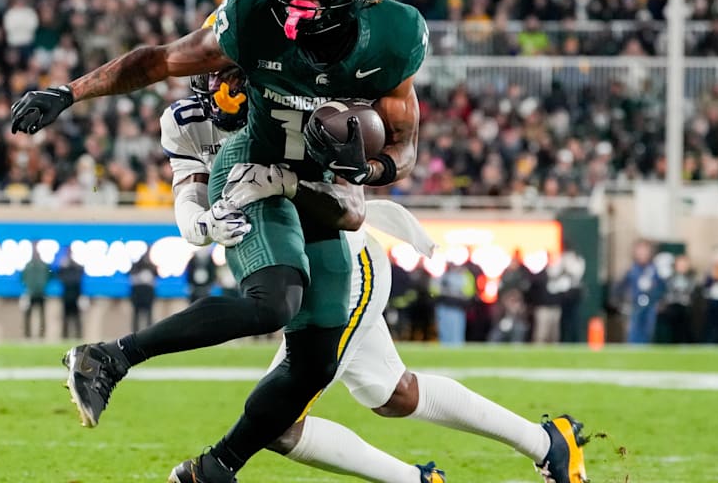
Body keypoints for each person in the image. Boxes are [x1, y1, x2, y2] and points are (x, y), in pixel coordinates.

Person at [12, 0, 586, 483]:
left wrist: (365, 165)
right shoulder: (244, 28)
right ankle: (119, 365)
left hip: (324, 189)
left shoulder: (390, 38)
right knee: (276, 305)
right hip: (257, 162)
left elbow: (389, 167)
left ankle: (226, 470)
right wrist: (69, 93)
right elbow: (160, 63)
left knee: (323, 373)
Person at [158, 68, 587, 483]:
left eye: (236, 78)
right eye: (218, 77)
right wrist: (204, 224)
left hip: (342, 265)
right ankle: (546, 442)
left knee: (279, 421)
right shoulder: (188, 123)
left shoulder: (290, 103)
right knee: (394, 394)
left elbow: (343, 187)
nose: (226, 88)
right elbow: (189, 206)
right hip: (304, 272)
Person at [622, 240, 665, 344]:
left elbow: (661, 287)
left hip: (650, 304)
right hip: (635, 304)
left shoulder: (654, 269)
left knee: (648, 331)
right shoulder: (632, 269)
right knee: (634, 331)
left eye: (645, 250)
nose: (642, 253)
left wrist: (657, 299)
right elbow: (623, 286)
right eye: (640, 250)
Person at [660, 255, 696, 344]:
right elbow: (668, 292)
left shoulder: (691, 278)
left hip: (686, 308)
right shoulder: (670, 278)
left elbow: (691, 292)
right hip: (673, 308)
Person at [20, 243, 50, 339]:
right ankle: (27, 334)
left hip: (41, 293)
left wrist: (43, 286)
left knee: (42, 315)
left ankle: (41, 334)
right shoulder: (28, 266)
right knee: (28, 315)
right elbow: (22, 278)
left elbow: (49, 277)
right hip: (30, 294)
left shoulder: (43, 266)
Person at [57, 247, 85, 339]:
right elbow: (59, 277)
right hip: (66, 296)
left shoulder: (76, 266)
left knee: (76, 318)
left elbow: (79, 278)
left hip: (76, 296)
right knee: (65, 318)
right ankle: (65, 336)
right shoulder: (63, 266)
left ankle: (78, 336)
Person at [129, 251, 157, 333]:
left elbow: (157, 275)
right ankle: (135, 334)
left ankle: (149, 333)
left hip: (147, 294)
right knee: (136, 315)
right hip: (138, 294)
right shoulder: (135, 267)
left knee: (149, 315)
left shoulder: (151, 266)